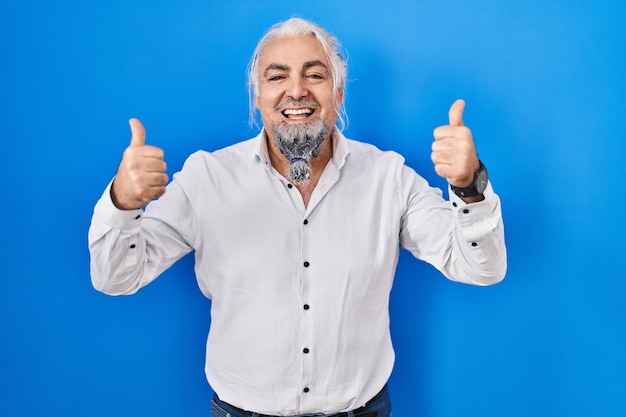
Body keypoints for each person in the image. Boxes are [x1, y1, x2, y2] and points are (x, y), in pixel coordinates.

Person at [88, 17, 506, 417]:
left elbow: (480, 269)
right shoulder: (206, 178)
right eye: (277, 76)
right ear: (257, 96)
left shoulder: (388, 177)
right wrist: (123, 202)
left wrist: (469, 184)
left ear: (338, 93)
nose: (296, 90)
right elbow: (116, 277)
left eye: (315, 74)